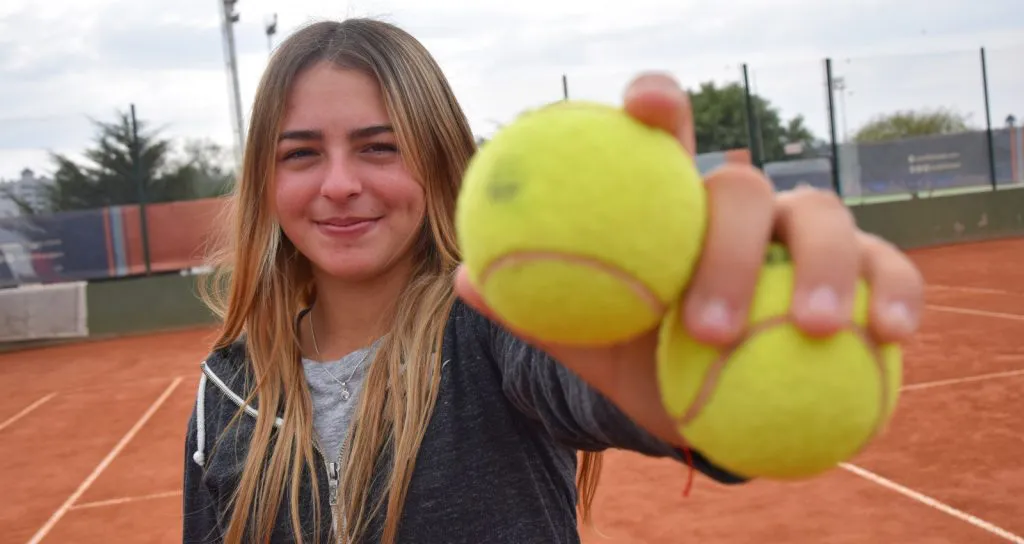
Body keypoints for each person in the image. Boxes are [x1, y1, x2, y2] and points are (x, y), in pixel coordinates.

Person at [182, 17, 923, 544]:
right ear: (265, 183)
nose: (339, 184)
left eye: (380, 148)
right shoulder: (227, 390)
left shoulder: (503, 328)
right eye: (302, 154)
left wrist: (703, 363)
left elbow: (637, 400)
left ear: (440, 163)